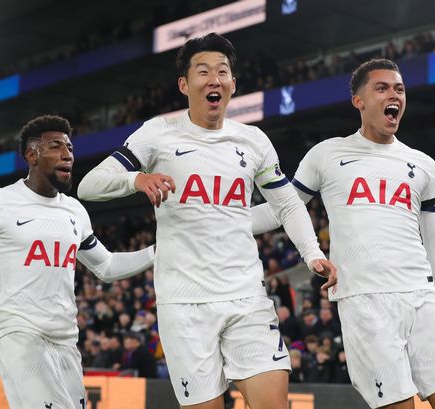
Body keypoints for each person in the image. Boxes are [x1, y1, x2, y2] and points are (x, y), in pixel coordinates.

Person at [77, 33, 336, 409]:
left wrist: (312, 253)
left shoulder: (254, 141)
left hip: (247, 296)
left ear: (232, 84)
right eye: (203, 72)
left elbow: (287, 204)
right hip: (184, 305)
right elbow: (90, 185)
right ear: (184, 84)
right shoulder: (158, 134)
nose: (214, 79)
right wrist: (136, 178)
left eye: (223, 72)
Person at [250, 58, 435, 408]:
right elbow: (282, 208)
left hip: (422, 298)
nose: (394, 95)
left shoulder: (423, 165)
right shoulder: (327, 155)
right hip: (365, 302)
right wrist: (220, 220)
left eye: (399, 89)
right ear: (359, 100)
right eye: (382, 88)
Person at [0, 115, 155, 409]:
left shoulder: (75, 211)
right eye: (56, 147)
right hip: (18, 333)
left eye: (70, 148)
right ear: (31, 155)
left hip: (64, 338)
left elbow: (107, 266)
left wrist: (159, 252)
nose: (67, 155)